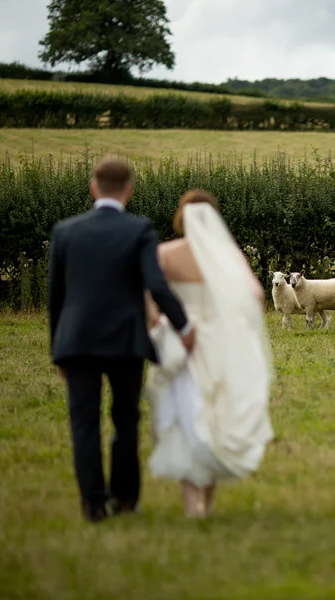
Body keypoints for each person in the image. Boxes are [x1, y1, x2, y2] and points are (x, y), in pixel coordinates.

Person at [48, 158, 196, 523]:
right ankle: (126, 500)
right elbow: (157, 285)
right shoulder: (139, 229)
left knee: (84, 423)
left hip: (76, 341)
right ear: (129, 190)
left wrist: (58, 351)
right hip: (125, 340)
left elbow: (55, 297)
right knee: (125, 420)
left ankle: (94, 504)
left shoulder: (65, 231)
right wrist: (184, 326)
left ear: (92, 188)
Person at [145, 190, 273, 519]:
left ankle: (193, 506)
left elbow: (146, 293)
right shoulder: (228, 255)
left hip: (183, 341)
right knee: (216, 416)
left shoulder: (166, 253)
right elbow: (256, 294)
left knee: (186, 418)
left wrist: (158, 323)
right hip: (219, 343)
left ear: (180, 218)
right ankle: (209, 501)